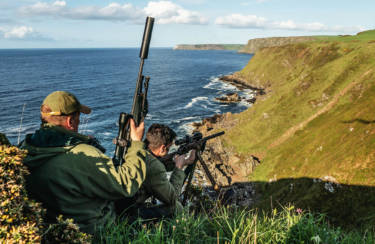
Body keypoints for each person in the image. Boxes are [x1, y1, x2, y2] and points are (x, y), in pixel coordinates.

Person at [20, 91, 147, 234]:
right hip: (90, 232)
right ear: (70, 121)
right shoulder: (83, 154)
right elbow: (126, 184)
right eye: (78, 117)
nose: (79, 122)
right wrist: (136, 143)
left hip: (47, 230)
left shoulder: (24, 148)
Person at [116, 123, 195, 220]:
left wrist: (185, 161)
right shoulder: (154, 166)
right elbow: (172, 197)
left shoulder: (136, 152)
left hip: (117, 208)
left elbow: (159, 163)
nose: (168, 152)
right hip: (128, 215)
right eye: (168, 149)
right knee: (176, 207)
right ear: (162, 148)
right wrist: (179, 167)